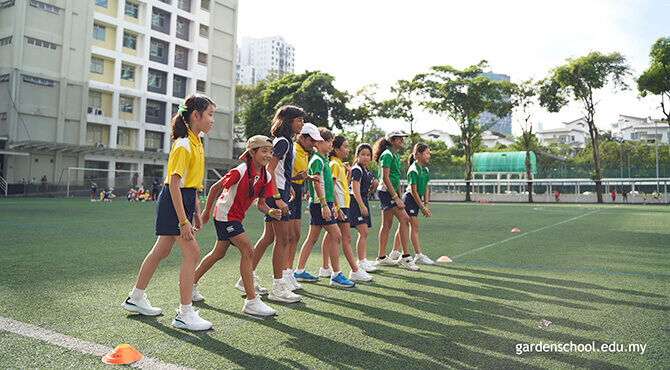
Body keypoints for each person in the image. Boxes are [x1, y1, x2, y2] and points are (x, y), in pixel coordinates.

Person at [122, 94, 215, 331]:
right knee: (192, 251)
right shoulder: (183, 144)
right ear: (196, 115)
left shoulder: (196, 142)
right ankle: (184, 313)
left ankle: (136, 298)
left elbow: (190, 184)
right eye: (210, 115)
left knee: (161, 251)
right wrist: (183, 220)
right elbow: (174, 184)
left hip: (182, 200)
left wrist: (195, 211)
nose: (212, 120)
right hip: (172, 202)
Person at [191, 135, 281, 316]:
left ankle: (190, 284)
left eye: (270, 152)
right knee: (248, 249)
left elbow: (261, 204)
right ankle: (251, 300)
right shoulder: (240, 171)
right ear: (252, 152)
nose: (268, 155)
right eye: (264, 151)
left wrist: (271, 212)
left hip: (235, 218)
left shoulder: (266, 175)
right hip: (225, 215)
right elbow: (215, 188)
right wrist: (206, 213)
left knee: (218, 253)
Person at [256, 105, 305, 303]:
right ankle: (278, 286)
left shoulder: (286, 143)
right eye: (299, 120)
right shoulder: (283, 142)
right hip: (277, 194)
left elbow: (278, 171)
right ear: (289, 122)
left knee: (268, 237)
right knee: (281, 240)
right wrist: (277, 197)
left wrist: (290, 183)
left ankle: (246, 277)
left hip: (281, 190)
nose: (301, 123)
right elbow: (269, 169)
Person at [295, 127, 355, 288]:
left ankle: (299, 271)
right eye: (328, 142)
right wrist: (324, 204)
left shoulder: (323, 160)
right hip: (319, 204)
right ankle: (336, 275)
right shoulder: (317, 160)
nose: (330, 145)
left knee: (313, 238)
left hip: (323, 204)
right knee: (336, 235)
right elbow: (316, 183)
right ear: (318, 142)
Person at [321, 135, 372, 282]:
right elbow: (331, 187)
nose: (348, 150)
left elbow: (342, 186)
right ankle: (354, 270)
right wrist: (336, 207)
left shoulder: (338, 164)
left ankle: (326, 268)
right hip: (341, 206)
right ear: (336, 149)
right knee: (345, 238)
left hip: (344, 205)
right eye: (345, 147)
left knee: (332, 235)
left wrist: (348, 173)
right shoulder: (334, 165)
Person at [373, 130, 415, 270]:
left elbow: (395, 178)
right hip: (385, 192)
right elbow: (385, 178)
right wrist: (395, 197)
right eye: (399, 138)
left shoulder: (395, 155)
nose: (402, 141)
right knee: (404, 219)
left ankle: (382, 257)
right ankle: (405, 257)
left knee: (387, 224)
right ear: (391, 140)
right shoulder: (387, 155)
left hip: (390, 192)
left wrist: (399, 194)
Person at [390, 142, 435, 265]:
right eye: (427, 153)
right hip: (410, 199)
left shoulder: (425, 170)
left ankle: (394, 252)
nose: (429, 156)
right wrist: (422, 207)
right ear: (419, 154)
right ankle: (418, 255)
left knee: (403, 226)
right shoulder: (413, 170)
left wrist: (426, 204)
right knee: (413, 227)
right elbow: (414, 191)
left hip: (417, 199)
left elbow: (425, 187)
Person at [349, 143, 378, 273]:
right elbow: (355, 188)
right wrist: (361, 205)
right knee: (363, 232)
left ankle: (363, 260)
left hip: (363, 200)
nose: (366, 157)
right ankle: (361, 261)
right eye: (363, 154)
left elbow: (366, 190)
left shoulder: (365, 171)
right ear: (357, 156)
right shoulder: (357, 169)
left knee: (364, 232)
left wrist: (374, 187)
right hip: (356, 201)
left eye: (368, 155)